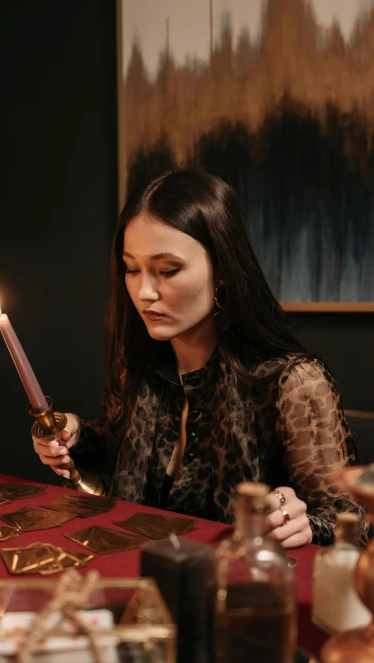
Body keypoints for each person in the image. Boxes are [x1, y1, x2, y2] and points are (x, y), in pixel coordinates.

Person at [33, 168, 367, 547]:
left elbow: (354, 526)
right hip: (136, 578)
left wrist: (305, 524)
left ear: (222, 270)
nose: (143, 291)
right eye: (131, 269)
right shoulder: (141, 366)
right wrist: (75, 432)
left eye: (167, 270)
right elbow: (120, 446)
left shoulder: (293, 384)